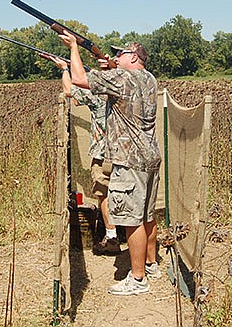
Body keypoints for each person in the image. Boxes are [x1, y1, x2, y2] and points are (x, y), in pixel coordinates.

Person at [57, 30, 162, 296]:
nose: (115, 56)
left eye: (121, 53)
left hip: (129, 159)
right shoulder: (148, 78)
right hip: (149, 156)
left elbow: (79, 79)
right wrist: (109, 67)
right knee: (148, 215)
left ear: (135, 57)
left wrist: (73, 47)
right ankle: (151, 265)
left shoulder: (123, 77)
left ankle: (137, 279)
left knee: (131, 219)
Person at [46, 54, 120, 255]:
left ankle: (112, 236)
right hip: (125, 153)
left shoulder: (97, 94)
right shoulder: (127, 89)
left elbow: (69, 90)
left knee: (103, 194)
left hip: (102, 154)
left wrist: (64, 69)